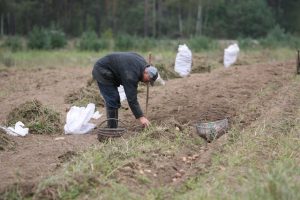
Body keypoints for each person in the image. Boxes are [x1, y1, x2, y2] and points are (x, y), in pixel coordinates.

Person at [92, 52, 158, 128]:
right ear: (146, 72)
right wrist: (141, 117)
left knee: (115, 99)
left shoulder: (143, 65)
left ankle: (113, 125)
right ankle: (111, 128)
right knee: (112, 98)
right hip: (102, 70)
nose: (147, 82)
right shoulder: (131, 75)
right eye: (148, 80)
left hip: (112, 69)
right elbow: (131, 99)